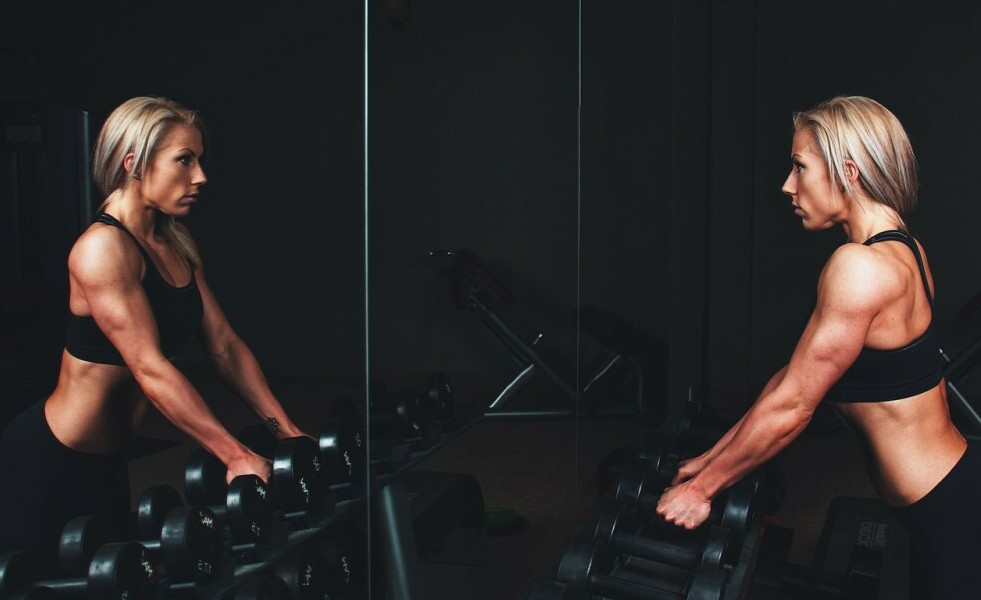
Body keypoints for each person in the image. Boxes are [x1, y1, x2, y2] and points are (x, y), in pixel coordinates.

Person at [655, 95, 978, 599]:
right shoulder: (906, 249)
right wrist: (711, 459)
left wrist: (702, 491)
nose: (788, 184)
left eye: (800, 166)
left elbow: (797, 406)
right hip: (947, 498)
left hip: (951, 512)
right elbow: (790, 380)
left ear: (847, 171)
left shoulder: (859, 268)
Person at [0, 96, 309, 566]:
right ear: (134, 164)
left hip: (107, 465)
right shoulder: (101, 250)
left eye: (199, 160)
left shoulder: (174, 242)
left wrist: (288, 433)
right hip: (49, 463)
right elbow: (149, 368)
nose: (200, 176)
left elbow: (224, 346)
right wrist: (235, 456)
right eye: (184, 160)